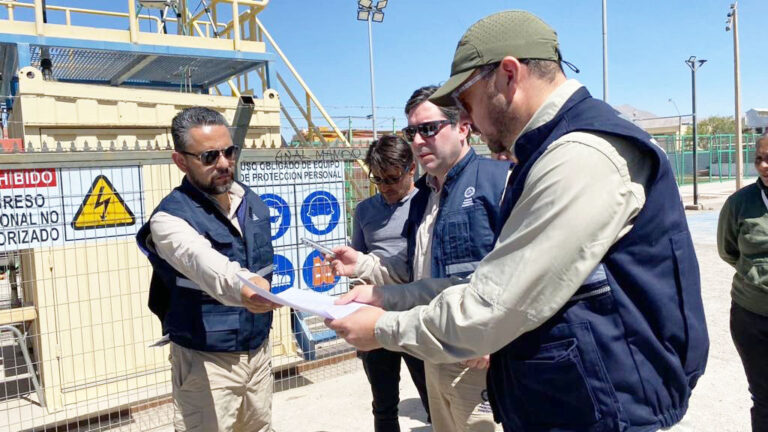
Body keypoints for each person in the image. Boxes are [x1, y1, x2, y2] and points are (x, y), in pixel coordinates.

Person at [327, 10, 709, 432]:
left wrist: (383, 328)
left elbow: (492, 306)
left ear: (509, 74)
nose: (467, 115)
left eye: (466, 100)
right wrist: (388, 298)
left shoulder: (581, 155)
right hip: (575, 402)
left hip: (606, 410)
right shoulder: (548, 153)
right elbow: (486, 280)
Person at [332, 86, 510, 432]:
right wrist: (364, 266)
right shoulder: (425, 198)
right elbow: (416, 272)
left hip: (477, 359)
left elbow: (519, 275)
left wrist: (495, 339)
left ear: (463, 127)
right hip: (435, 349)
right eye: (411, 131)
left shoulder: (497, 182)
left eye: (428, 128)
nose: (417, 140)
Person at [136, 107, 280, 432]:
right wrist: (246, 287)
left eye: (229, 151)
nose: (225, 163)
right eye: (209, 156)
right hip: (207, 363)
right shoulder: (170, 219)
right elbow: (203, 262)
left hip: (257, 352)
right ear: (181, 161)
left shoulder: (249, 201)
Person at [350, 135, 431, 432]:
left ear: (412, 169)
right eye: (378, 179)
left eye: (392, 179)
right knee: (383, 404)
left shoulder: (427, 205)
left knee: (434, 399)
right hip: (376, 314)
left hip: (417, 313)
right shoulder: (364, 211)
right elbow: (359, 263)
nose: (385, 187)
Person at [717, 133, 768, 432]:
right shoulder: (739, 204)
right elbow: (728, 251)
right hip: (753, 318)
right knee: (764, 397)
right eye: (759, 159)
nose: (763, 166)